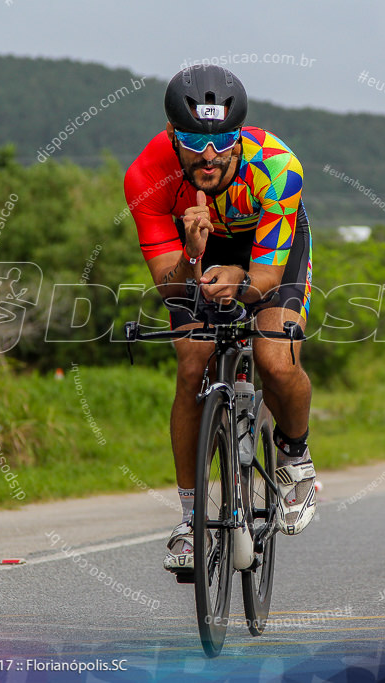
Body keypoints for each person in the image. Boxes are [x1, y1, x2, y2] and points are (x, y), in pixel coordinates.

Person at [123, 65, 317, 572]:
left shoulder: (277, 167)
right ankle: (190, 520)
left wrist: (239, 275)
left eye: (222, 140)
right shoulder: (147, 177)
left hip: (268, 251)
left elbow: (267, 278)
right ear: (171, 135)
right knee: (192, 365)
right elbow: (168, 280)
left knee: (275, 360)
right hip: (200, 253)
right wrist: (193, 256)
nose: (208, 156)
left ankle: (294, 454)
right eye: (192, 141)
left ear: (238, 138)